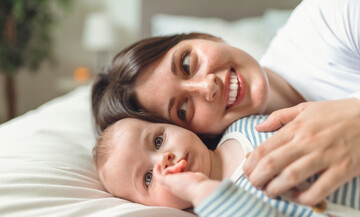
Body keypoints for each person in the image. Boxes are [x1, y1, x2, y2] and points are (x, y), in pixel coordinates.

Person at [91, 0, 360, 206]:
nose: (207, 86)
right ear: (194, 135)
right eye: (183, 110)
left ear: (205, 37)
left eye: (187, 63)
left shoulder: (328, 20)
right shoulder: (239, 186)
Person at [93, 116, 360, 217]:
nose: (162, 160)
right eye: (148, 178)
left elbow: (320, 126)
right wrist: (199, 189)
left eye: (158, 140)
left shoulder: (248, 126)